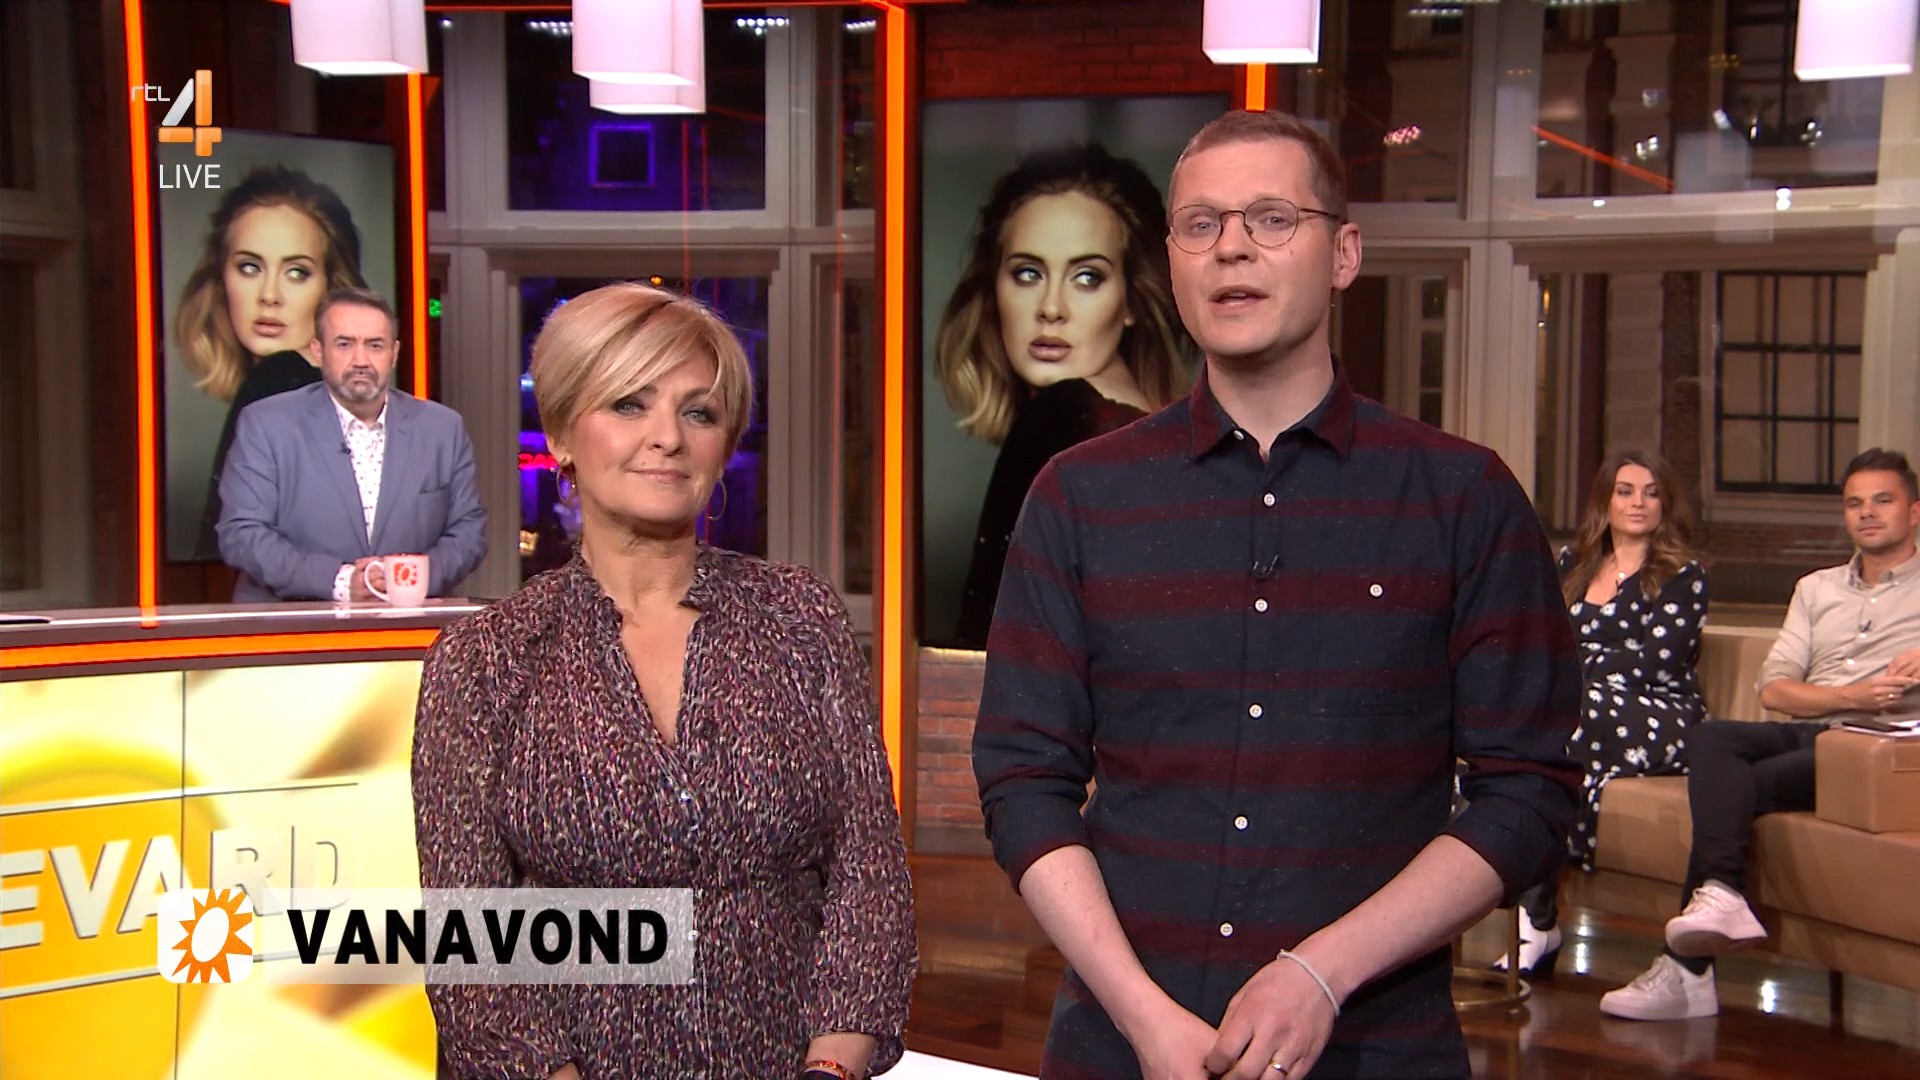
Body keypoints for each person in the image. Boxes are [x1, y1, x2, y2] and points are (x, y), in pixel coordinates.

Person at [971, 109, 1582, 1080]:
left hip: (1377, 1053)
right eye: (1201, 224)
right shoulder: (1079, 497)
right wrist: (1145, 1018)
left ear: (1344, 254)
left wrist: (1323, 974)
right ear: (1171, 264)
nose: (1232, 248)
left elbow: (1528, 794)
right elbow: (1022, 780)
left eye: (1271, 218)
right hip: (1121, 1046)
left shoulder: (1462, 498)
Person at [411, 282, 916, 1079]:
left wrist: (832, 1068)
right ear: (561, 434)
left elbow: (869, 874)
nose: (668, 438)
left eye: (698, 412)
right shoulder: (486, 661)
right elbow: (470, 940)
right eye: (629, 404)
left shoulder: (800, 617)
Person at [1599, 447, 1920, 1021]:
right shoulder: (1816, 589)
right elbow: (1775, 688)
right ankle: (1719, 901)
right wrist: (1854, 694)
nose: (1867, 513)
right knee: (1712, 740)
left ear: (1914, 512)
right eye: (1855, 503)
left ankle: (1687, 968)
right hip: (1815, 727)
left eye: (1882, 501)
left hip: (1879, 748)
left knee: (1734, 788)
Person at [935, 143, 1192, 648]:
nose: (1051, 307)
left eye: (1087, 277)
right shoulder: (1169, 436)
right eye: (1027, 273)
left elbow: (986, 649)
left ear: (1131, 301)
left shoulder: (1056, 422)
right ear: (994, 290)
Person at [1499, 450, 1709, 975]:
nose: (1638, 503)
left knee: (1564, 718)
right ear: (1605, 501)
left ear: (1666, 504)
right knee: (1532, 723)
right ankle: (1529, 911)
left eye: (1651, 493)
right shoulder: (1574, 563)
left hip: (1662, 713)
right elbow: (1546, 639)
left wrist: (1576, 668)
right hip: (1586, 708)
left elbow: (1655, 661)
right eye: (1625, 491)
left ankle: (1536, 919)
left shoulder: (1683, 574)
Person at [215, 287, 486, 603]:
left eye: (375, 345)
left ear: (394, 353)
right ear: (318, 351)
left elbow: (469, 532)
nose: (361, 361)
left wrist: (403, 578)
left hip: (406, 624)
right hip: (292, 623)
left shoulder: (442, 429)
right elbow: (241, 532)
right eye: (344, 344)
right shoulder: (266, 424)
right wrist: (340, 581)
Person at [175, 166, 372, 560]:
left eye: (297, 272)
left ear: (332, 289)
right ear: (220, 279)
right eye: (249, 267)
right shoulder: (333, 393)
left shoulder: (275, 381)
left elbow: (233, 547)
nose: (269, 295)